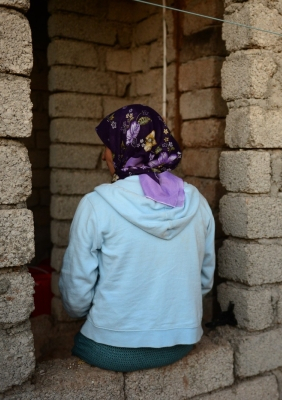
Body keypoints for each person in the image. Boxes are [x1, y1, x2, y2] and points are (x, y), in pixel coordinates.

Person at [59, 104, 215, 372]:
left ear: (123, 148)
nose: (104, 154)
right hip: (182, 341)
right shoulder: (197, 202)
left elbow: (76, 297)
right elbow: (204, 281)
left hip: (112, 348)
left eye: (108, 145)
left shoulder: (96, 205)